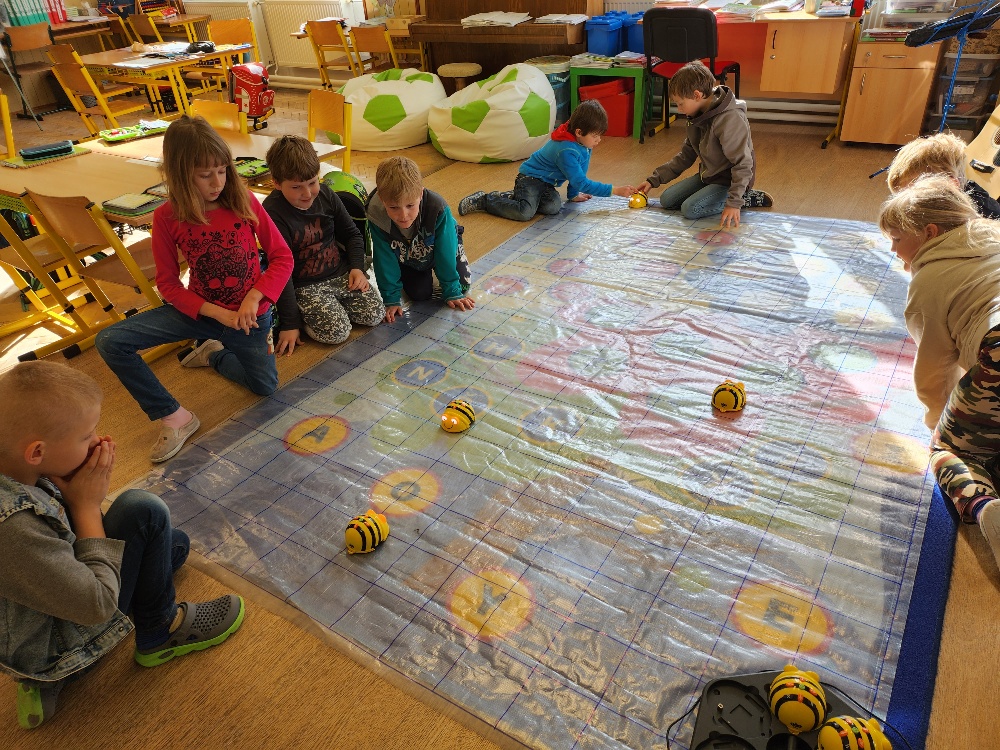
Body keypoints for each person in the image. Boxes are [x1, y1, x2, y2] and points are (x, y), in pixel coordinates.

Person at [0, 361, 244, 730]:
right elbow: (97, 604)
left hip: (32, 623)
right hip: (59, 644)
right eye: (86, 436)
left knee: (174, 545)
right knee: (144, 511)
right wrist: (85, 504)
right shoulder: (13, 526)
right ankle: (159, 631)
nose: (98, 440)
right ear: (36, 452)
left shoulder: (17, 467)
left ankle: (42, 678)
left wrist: (69, 481)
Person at [95, 116, 293, 463]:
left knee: (265, 387)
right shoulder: (166, 216)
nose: (217, 182)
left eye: (222, 170)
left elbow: (282, 257)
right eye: (205, 175)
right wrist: (217, 314)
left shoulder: (245, 201)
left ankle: (212, 354)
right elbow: (168, 284)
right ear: (180, 174)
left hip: (249, 318)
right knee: (111, 341)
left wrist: (254, 297)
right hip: (200, 314)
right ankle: (174, 416)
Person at [877, 174, 1000, 571]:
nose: (893, 249)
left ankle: (985, 507)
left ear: (929, 233)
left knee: (952, 450)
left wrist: (939, 420)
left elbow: (934, 368)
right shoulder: (993, 234)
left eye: (897, 239)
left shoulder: (929, 281)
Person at [262, 135, 384, 356]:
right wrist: (291, 323)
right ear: (277, 183)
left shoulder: (326, 195)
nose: (307, 193)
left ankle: (332, 307)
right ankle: (309, 316)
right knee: (337, 333)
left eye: (312, 182)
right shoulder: (273, 212)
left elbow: (352, 235)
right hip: (305, 286)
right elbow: (280, 269)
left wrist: (357, 269)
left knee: (375, 314)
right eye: (297, 187)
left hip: (340, 274)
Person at [635, 60, 772, 228]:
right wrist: (653, 180)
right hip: (709, 176)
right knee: (667, 200)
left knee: (690, 209)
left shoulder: (730, 119)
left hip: (730, 180)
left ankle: (746, 197)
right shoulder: (696, 115)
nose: (679, 109)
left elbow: (743, 163)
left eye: (680, 103)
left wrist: (734, 202)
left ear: (697, 95)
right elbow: (686, 155)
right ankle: (717, 196)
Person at [457, 99, 635, 221]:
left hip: (546, 183)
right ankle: (484, 200)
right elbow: (581, 182)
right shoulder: (566, 150)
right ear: (579, 132)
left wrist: (573, 195)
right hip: (529, 179)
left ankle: (515, 197)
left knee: (553, 208)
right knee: (525, 213)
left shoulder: (584, 144)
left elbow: (579, 173)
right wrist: (615, 190)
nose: (599, 140)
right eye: (595, 136)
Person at [367, 156, 474, 323]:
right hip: (408, 251)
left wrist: (452, 290)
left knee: (462, 286)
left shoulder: (437, 208)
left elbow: (445, 251)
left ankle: (456, 240)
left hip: (440, 242)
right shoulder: (376, 215)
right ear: (382, 199)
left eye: (410, 205)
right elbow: (383, 257)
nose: (403, 215)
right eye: (393, 207)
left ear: (420, 194)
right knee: (420, 294)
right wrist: (391, 298)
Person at [886, 131, 1000, 219]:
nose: (905, 206)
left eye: (912, 200)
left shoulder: (974, 219)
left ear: (950, 184)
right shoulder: (943, 201)